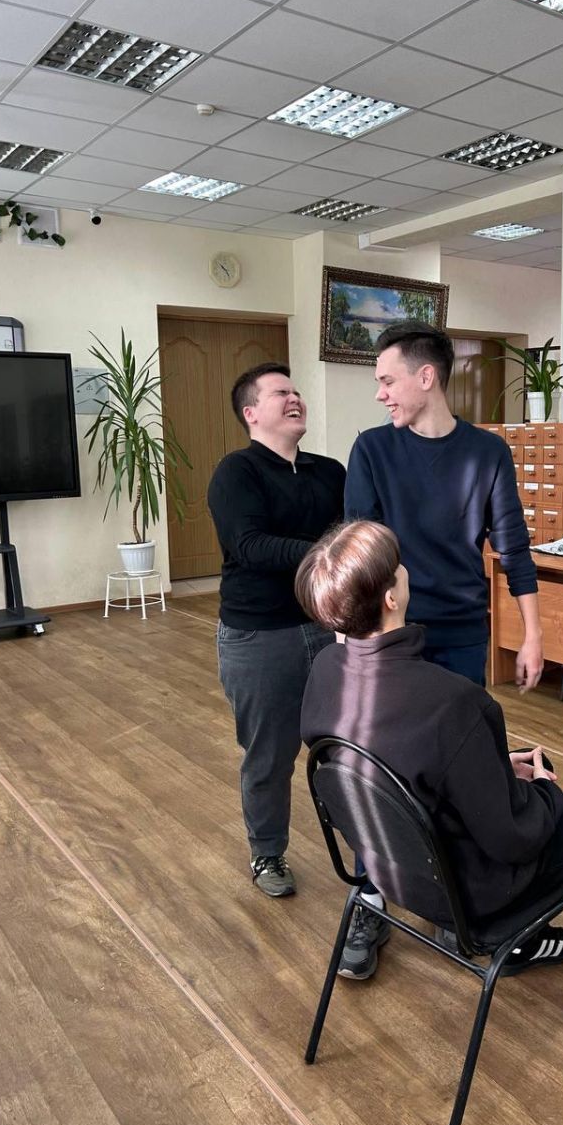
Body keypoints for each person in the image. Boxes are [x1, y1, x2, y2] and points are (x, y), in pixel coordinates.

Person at [296, 521, 563, 1028]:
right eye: (399, 565)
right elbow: (513, 839)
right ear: (392, 598)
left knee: (522, 767)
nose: (405, 570)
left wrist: (494, 766)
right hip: (472, 898)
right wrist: (543, 791)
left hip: (400, 878)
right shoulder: (452, 702)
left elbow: (386, 773)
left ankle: (524, 945)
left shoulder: (325, 671)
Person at [208, 362, 345, 899]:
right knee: (269, 755)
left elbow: (355, 529)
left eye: (297, 391)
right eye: (280, 393)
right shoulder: (236, 472)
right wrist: (330, 553)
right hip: (259, 638)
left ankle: (372, 854)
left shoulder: (329, 472)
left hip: (329, 628)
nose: (295, 399)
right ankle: (267, 852)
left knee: (348, 747)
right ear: (251, 413)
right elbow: (251, 546)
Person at [345, 320, 543, 691]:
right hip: (391, 637)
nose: (380, 395)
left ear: (426, 377)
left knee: (461, 728)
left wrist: (533, 636)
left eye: (387, 381)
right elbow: (360, 555)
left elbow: (514, 550)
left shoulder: (489, 452)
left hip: (463, 636)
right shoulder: (371, 450)